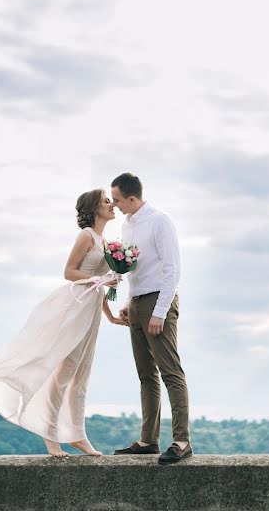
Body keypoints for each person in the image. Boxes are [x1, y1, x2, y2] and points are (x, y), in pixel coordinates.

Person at [0, 189, 128, 457]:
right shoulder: (86, 236)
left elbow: (98, 283)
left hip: (92, 312)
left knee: (82, 375)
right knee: (65, 372)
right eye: (106, 201)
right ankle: (50, 436)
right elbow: (69, 272)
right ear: (94, 207)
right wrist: (101, 281)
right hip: (75, 307)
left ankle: (77, 435)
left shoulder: (104, 240)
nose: (112, 205)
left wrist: (110, 316)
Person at [110, 172, 193, 465]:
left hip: (159, 302)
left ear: (132, 198)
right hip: (136, 302)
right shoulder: (127, 225)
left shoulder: (160, 220)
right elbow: (135, 268)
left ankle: (182, 441)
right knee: (146, 374)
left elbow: (173, 269)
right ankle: (148, 440)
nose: (115, 204)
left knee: (170, 371)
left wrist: (159, 311)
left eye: (118, 200)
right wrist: (127, 303)